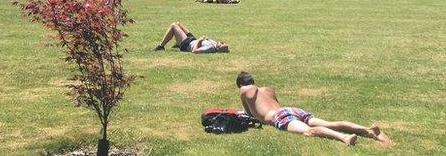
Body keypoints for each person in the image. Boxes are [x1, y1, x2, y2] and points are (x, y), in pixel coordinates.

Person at [236, 71, 391, 146]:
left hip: (279, 117)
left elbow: (250, 113)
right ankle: (368, 130)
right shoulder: (268, 89)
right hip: (291, 110)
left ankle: (344, 137)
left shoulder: (245, 89)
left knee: (308, 131)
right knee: (328, 123)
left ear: (241, 84)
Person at [152, 22, 229, 53]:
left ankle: (161, 46)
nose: (222, 42)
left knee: (173, 26)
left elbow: (194, 51)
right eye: (224, 42)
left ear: (219, 49)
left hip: (187, 44)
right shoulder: (214, 44)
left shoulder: (210, 48)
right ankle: (177, 43)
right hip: (192, 40)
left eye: (222, 44)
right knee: (178, 23)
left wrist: (200, 40)